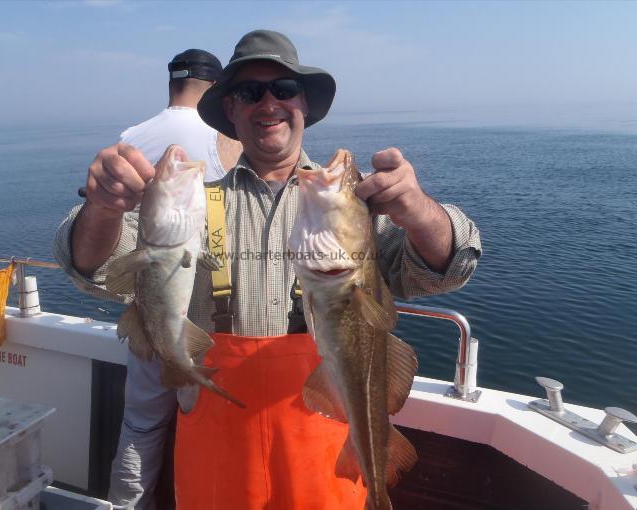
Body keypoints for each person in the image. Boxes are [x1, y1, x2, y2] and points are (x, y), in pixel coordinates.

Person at [55, 30, 482, 509]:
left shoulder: (354, 203)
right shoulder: (192, 201)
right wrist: (103, 207)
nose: (269, 103)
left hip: (322, 455)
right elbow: (90, 268)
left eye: (283, 88)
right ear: (231, 111)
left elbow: (448, 267)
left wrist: (420, 211)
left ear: (304, 103)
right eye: (249, 92)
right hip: (216, 458)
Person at [54, 49, 241, 510]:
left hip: (146, 309)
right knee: (213, 428)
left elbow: (102, 239)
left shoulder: (132, 138)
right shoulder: (228, 136)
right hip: (211, 320)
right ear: (217, 89)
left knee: (140, 427)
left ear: (171, 84)